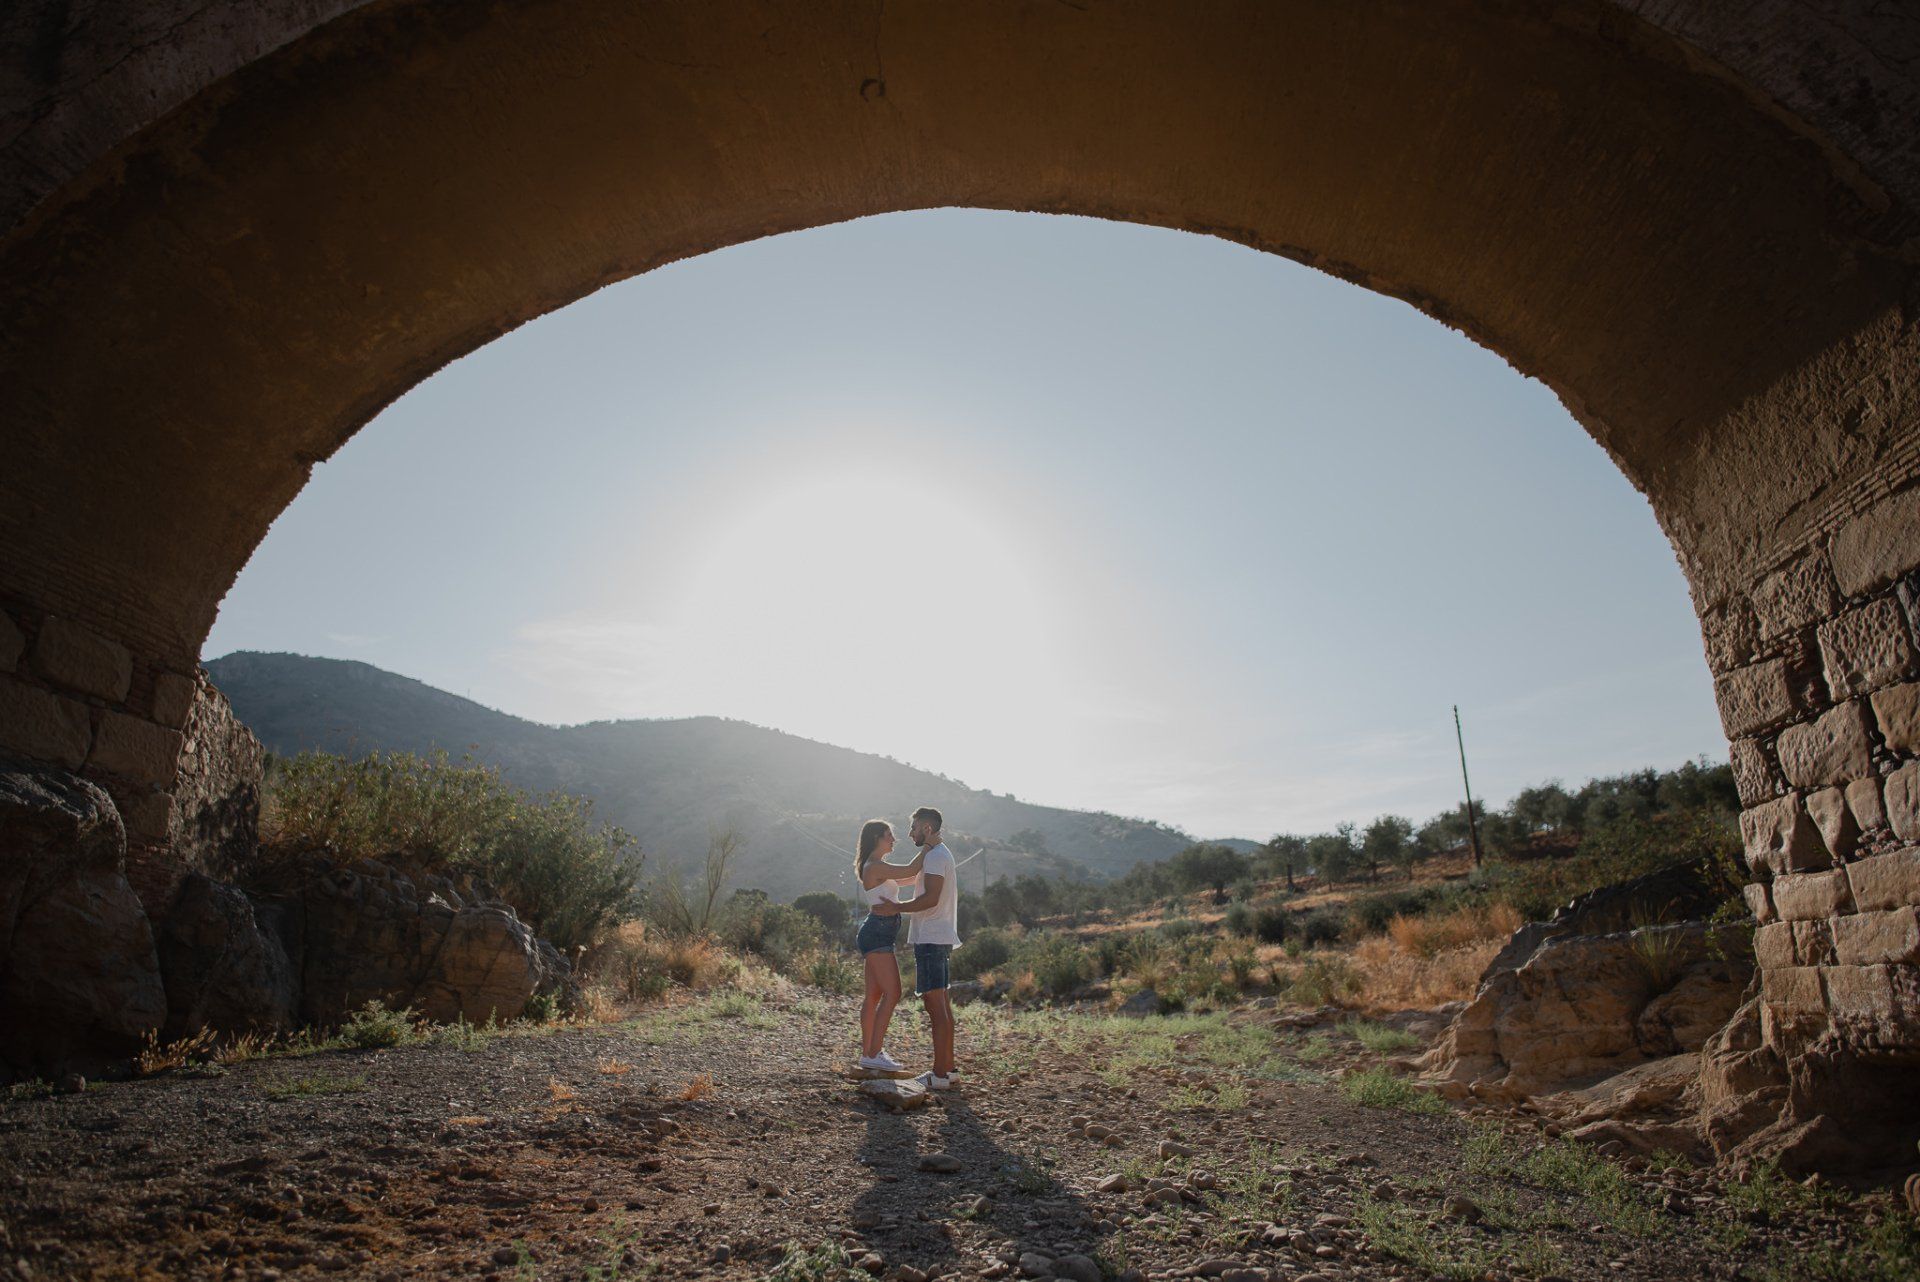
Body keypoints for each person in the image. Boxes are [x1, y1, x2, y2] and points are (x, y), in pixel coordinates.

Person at [872, 805, 960, 1090]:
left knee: (935, 1007)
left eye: (913, 828)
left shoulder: (935, 857)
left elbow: (930, 898)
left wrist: (896, 907)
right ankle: (949, 1070)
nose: (909, 834)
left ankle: (939, 1075)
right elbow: (912, 876)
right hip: (938, 936)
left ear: (927, 828)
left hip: (931, 938)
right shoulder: (938, 853)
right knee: (942, 1006)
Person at [852, 818, 923, 1073]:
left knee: (873, 997)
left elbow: (910, 877)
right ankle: (874, 1053)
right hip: (878, 934)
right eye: (888, 835)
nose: (894, 839)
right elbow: (910, 869)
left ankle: (868, 1054)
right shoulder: (875, 867)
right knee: (893, 993)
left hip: (877, 932)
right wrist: (930, 844)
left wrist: (932, 872)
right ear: (876, 839)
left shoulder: (877, 867)